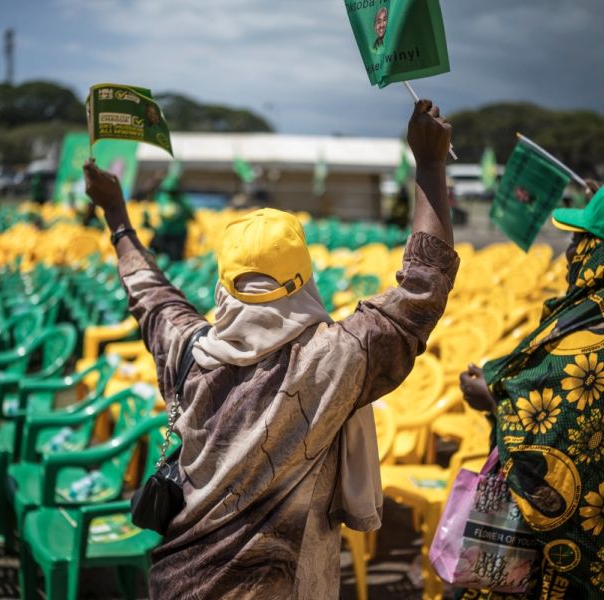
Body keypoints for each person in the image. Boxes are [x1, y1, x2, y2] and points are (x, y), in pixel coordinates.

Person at [84, 98, 457, 599]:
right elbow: (422, 286)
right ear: (304, 280)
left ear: (223, 286)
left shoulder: (189, 350)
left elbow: (150, 294)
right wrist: (430, 164)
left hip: (179, 583)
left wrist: (116, 217)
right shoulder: (335, 362)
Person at [458, 184, 604, 599]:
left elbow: (551, 443)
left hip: (560, 561)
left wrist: (493, 400)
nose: (569, 253)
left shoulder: (593, 348)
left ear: (601, 256)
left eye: (578, 242)